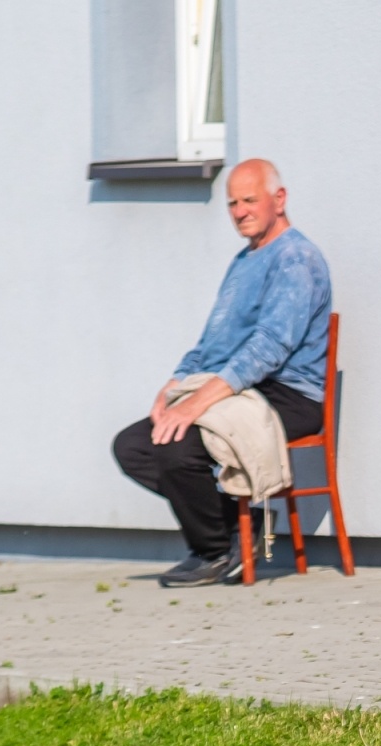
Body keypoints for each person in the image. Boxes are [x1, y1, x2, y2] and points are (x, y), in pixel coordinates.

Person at [112, 159, 332, 587]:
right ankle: (239, 528)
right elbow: (212, 342)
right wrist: (175, 386)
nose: (240, 211)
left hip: (289, 395)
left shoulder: (295, 258)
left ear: (279, 200)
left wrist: (196, 404)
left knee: (179, 447)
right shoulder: (244, 261)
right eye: (232, 203)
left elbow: (270, 347)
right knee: (135, 445)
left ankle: (212, 551)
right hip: (243, 392)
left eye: (250, 200)